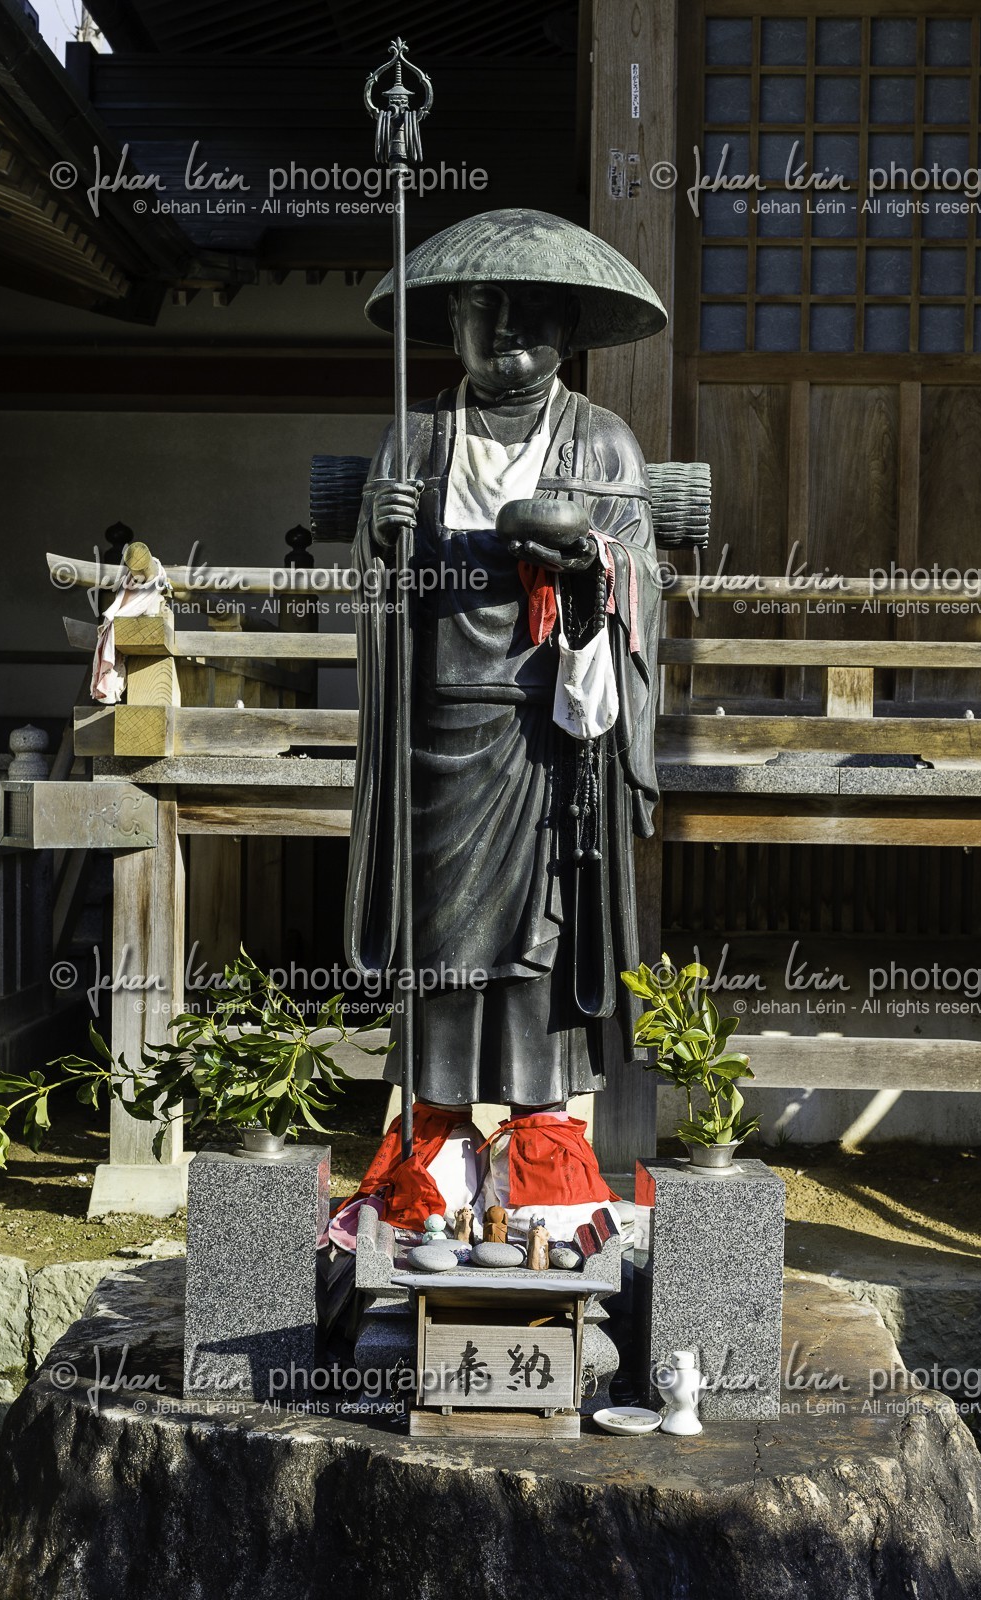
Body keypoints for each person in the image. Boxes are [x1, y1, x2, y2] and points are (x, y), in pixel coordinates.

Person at [332, 208, 665, 1247]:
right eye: (486, 313)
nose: (508, 335)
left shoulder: (599, 441)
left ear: (567, 330)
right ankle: (429, 1140)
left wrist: (591, 570)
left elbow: (639, 578)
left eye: (532, 317)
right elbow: (370, 590)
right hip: (437, 728)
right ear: (452, 325)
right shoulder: (415, 434)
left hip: (548, 732)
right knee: (439, 939)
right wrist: (383, 547)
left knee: (535, 947)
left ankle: (538, 1144)